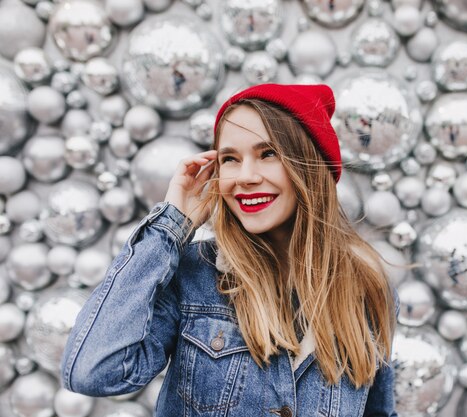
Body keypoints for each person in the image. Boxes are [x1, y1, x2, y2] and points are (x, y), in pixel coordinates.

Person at [61, 83, 399, 416]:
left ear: (311, 166)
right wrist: (171, 225)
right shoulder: (193, 274)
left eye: (269, 154)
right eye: (231, 159)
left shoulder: (367, 288)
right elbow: (92, 372)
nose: (246, 176)